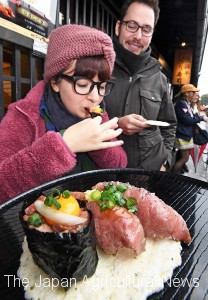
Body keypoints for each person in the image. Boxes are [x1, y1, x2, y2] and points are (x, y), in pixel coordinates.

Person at [0, 24, 127, 204]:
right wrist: (64, 144)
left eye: (102, 86)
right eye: (82, 85)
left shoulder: (97, 112)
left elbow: (120, 164)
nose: (95, 97)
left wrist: (98, 144)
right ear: (55, 82)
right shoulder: (23, 116)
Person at [105, 0, 177, 171]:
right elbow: (77, 118)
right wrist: (116, 124)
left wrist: (165, 161)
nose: (138, 36)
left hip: (149, 176)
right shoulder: (98, 68)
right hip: (103, 174)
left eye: (146, 29)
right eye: (132, 25)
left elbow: (169, 125)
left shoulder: (158, 78)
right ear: (118, 27)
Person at [172, 84, 208, 174]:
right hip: (183, 135)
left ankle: (175, 175)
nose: (195, 94)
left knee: (182, 157)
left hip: (186, 134)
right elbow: (187, 119)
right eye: (193, 92)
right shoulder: (181, 103)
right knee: (185, 158)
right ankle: (172, 176)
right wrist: (201, 118)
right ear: (187, 93)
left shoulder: (186, 104)